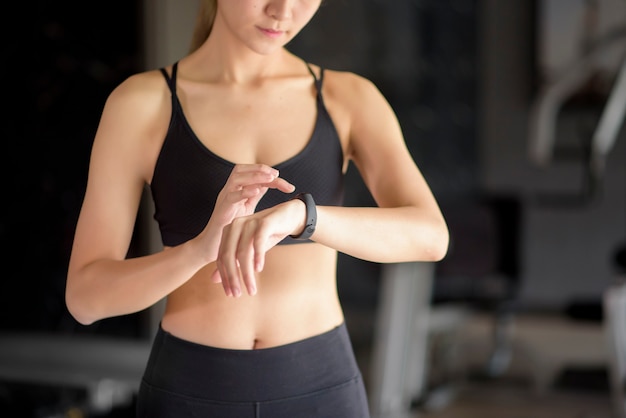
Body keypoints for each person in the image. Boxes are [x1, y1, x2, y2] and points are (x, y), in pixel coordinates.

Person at [65, 0, 449, 416]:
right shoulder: (141, 104)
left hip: (322, 387)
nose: (283, 11)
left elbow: (431, 236)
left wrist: (304, 217)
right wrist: (199, 249)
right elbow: (86, 298)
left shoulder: (348, 97)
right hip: (190, 389)